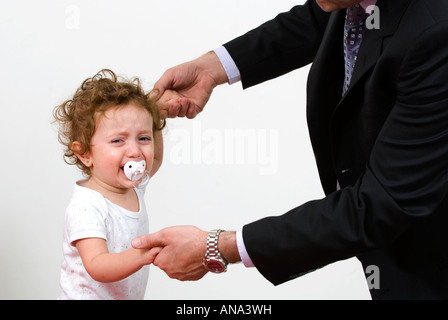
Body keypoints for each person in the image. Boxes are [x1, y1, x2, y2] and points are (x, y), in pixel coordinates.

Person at [133, 0, 448, 299]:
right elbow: (317, 17)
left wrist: (220, 246)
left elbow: (377, 205)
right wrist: (214, 67)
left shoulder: (435, 33)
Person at [54, 69, 165, 299]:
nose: (135, 151)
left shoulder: (134, 186)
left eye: (143, 138)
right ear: (85, 154)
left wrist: (158, 114)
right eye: (118, 140)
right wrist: (142, 255)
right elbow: (97, 264)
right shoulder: (86, 205)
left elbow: (156, 158)